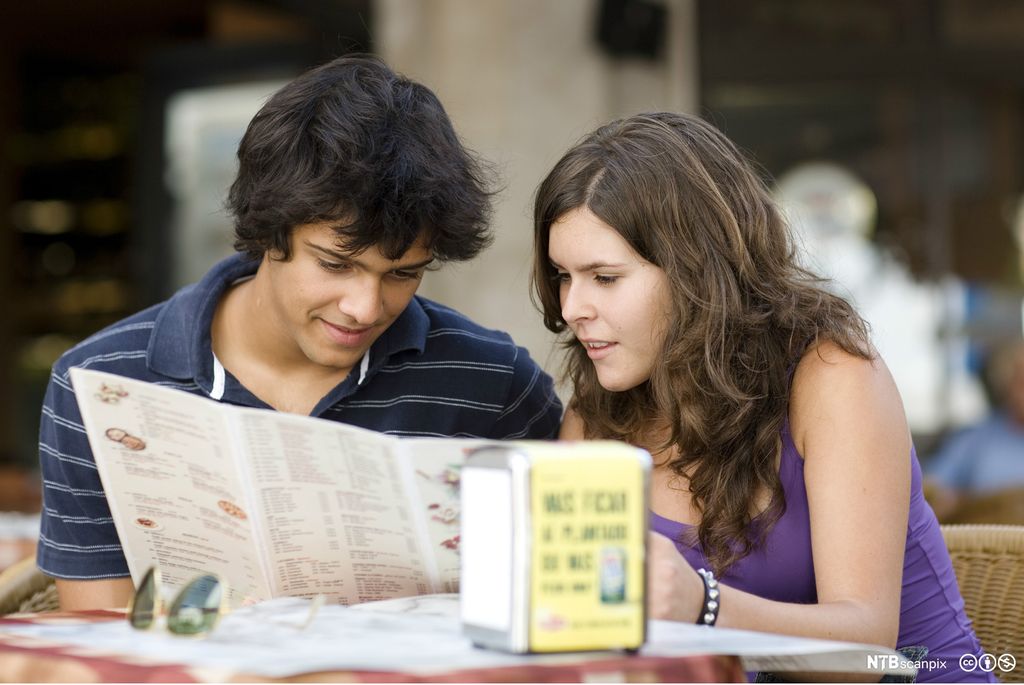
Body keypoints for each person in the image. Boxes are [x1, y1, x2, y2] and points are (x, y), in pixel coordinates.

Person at [38, 55, 562, 611]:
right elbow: (101, 633)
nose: (364, 308)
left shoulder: (492, 381)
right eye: (336, 264)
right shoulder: (99, 385)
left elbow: (560, 599)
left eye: (403, 274)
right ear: (269, 231)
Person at [532, 112, 990, 682]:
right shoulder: (596, 414)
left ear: (696, 270)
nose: (573, 307)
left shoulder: (832, 377)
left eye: (604, 278)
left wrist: (701, 605)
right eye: (562, 276)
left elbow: (868, 654)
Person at [925, 340, 1024, 520]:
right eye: (1022, 382)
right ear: (1008, 385)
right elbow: (930, 489)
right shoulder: (977, 440)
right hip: (985, 542)